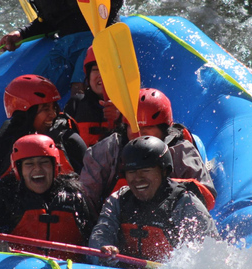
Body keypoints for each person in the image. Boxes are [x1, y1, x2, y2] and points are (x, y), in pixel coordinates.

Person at [79, 88, 216, 219]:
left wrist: (167, 188)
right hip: (116, 225)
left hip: (166, 225)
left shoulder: (181, 152)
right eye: (133, 127)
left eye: (148, 127)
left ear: (164, 129)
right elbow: (86, 196)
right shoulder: (109, 149)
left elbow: (206, 197)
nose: (139, 134)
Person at [89, 136, 219, 264]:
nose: (138, 178)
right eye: (131, 172)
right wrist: (103, 249)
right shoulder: (118, 200)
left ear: (164, 171)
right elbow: (102, 232)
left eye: (146, 171)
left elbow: (208, 257)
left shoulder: (185, 203)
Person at [0, 74, 86, 195]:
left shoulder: (68, 139)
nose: (53, 114)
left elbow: (93, 186)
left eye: (54, 107)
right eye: (45, 109)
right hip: (17, 216)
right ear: (26, 114)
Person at [0, 134, 92, 257]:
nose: (37, 169)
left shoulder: (75, 196)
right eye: (29, 164)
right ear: (19, 170)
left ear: (55, 167)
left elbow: (93, 234)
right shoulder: (6, 195)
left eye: (44, 162)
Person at [64, 46, 121, 147]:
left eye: (107, 69)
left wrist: (120, 119)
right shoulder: (75, 104)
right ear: (88, 76)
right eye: (95, 69)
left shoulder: (131, 105)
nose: (101, 75)